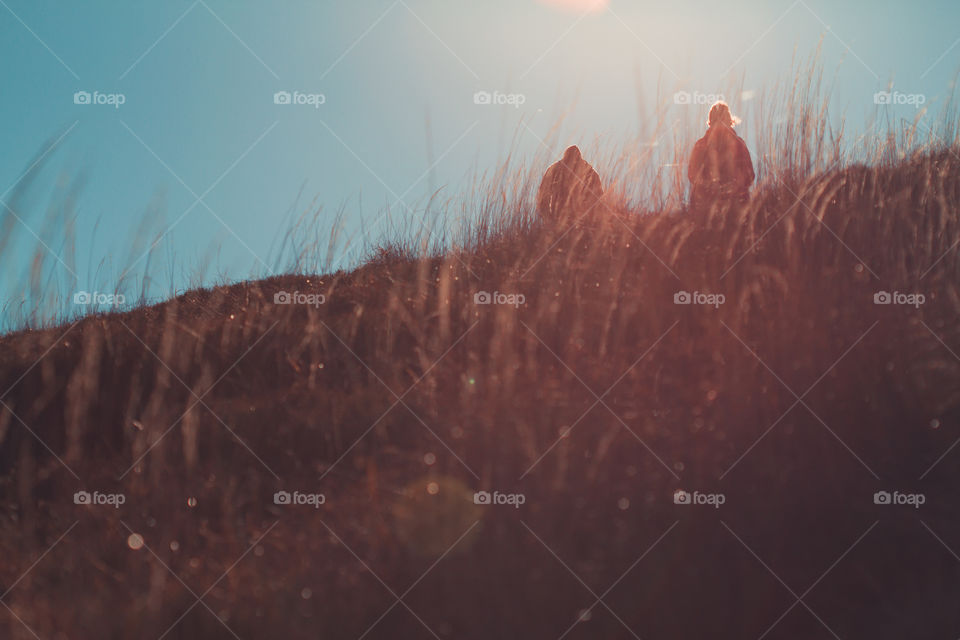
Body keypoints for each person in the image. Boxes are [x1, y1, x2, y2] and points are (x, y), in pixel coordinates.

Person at [688, 101, 755, 209]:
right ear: (730, 121)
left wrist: (711, 188)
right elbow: (750, 176)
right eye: (717, 120)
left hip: (706, 209)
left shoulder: (700, 145)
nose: (720, 125)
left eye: (721, 120)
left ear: (709, 123)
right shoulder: (739, 144)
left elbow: (692, 176)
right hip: (735, 208)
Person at [536, 145, 604, 223]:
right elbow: (599, 202)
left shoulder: (554, 170)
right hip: (567, 222)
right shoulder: (591, 173)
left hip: (579, 223)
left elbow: (598, 201)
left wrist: (548, 220)